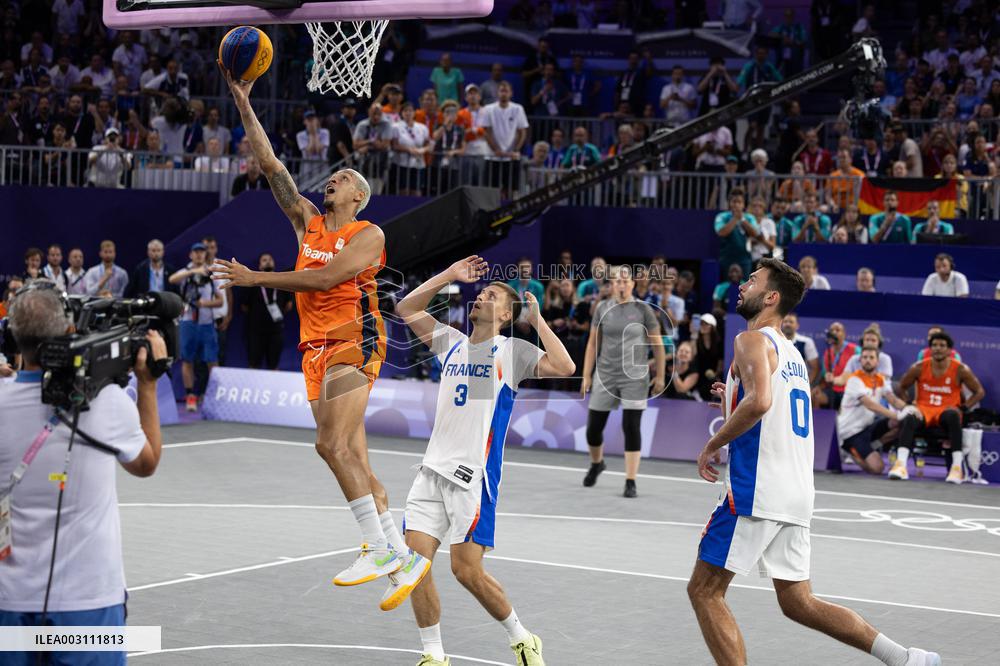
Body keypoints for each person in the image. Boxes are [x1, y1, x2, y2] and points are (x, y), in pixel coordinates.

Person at [213, 64, 430, 607]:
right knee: (353, 455)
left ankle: (376, 547)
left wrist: (256, 278)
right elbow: (270, 165)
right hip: (315, 347)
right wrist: (242, 98)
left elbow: (328, 278)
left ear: (358, 197)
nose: (332, 179)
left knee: (329, 444)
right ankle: (399, 553)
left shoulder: (367, 233)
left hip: (355, 336)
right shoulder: (307, 221)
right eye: (333, 177)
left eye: (343, 179)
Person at [689, 258, 941, 666]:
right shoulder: (793, 356)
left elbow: (760, 403)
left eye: (752, 281)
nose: (742, 285)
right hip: (797, 494)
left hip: (757, 489)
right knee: (797, 601)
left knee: (704, 590)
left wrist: (711, 444)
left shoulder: (749, 341)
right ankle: (907, 658)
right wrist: (730, 396)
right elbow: (769, 411)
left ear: (771, 297)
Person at [393, 256, 574, 666]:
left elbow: (565, 366)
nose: (480, 296)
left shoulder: (510, 352)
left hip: (472, 479)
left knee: (466, 571)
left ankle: (522, 637)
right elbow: (406, 309)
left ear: (506, 315)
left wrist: (538, 320)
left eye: (491, 296)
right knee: (414, 565)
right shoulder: (451, 342)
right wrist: (449, 276)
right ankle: (433, 655)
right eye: (481, 292)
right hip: (430, 472)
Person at [0, 281, 166, 665]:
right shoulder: (106, 403)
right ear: (69, 330)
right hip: (87, 604)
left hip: (9, 604)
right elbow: (147, 462)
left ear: (13, 335)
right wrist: (148, 384)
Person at [579, 265, 665, 497]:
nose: (622, 284)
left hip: (634, 378)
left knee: (631, 426)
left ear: (633, 285)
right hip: (605, 374)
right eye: (617, 281)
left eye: (626, 281)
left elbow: (658, 344)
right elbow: (592, 344)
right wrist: (586, 375)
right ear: (612, 285)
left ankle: (630, 480)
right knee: (593, 430)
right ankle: (597, 464)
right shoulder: (601, 308)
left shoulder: (644, 310)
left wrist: (660, 376)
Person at [894, 332, 985, 483]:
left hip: (946, 411)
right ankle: (900, 465)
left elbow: (979, 392)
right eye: (934, 345)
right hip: (924, 409)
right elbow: (901, 387)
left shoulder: (960, 369)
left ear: (950, 350)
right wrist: (908, 404)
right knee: (910, 416)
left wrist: (963, 408)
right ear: (930, 349)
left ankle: (956, 468)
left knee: (953, 415)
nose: (938, 348)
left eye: (942, 346)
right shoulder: (919, 367)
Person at [838, 347, 909, 475]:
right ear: (860, 361)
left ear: (877, 362)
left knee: (899, 423)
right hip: (850, 433)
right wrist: (896, 415)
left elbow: (893, 400)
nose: (868, 360)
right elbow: (870, 405)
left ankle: (873, 446)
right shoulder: (854, 380)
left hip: (868, 428)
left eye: (871, 358)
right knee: (877, 468)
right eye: (864, 357)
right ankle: (850, 451)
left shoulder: (880, 379)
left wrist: (909, 409)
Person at [169, 242, 222, 412]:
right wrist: (193, 272)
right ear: (191, 255)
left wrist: (204, 303)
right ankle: (190, 397)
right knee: (187, 360)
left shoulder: (211, 273)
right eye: (196, 252)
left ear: (205, 255)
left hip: (207, 323)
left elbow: (220, 300)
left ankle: (215, 397)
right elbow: (171, 279)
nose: (199, 255)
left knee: (212, 361)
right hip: (188, 322)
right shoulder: (186, 271)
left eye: (202, 252)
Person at [240, 252, 292, 370]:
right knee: (253, 365)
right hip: (256, 331)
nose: (267, 261)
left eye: (269, 259)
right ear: (259, 266)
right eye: (264, 260)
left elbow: (289, 305)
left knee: (274, 366)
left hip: (276, 331)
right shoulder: (252, 283)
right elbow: (244, 306)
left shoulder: (281, 281)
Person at [714, 188, 760, 280]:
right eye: (734, 202)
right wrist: (735, 219)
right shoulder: (722, 217)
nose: (736, 205)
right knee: (727, 287)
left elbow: (755, 234)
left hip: (745, 259)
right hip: (726, 258)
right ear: (729, 203)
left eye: (739, 202)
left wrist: (742, 219)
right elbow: (721, 233)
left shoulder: (749, 218)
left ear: (743, 204)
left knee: (745, 288)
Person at [813, 321, 856, 409]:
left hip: (849, 390)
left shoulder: (855, 350)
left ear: (844, 334)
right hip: (832, 390)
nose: (834, 332)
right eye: (832, 330)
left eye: (837, 330)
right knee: (815, 395)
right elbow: (825, 375)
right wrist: (819, 387)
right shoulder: (827, 352)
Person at [780, 312, 819, 386]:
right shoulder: (775, 341)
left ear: (797, 326)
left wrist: (806, 386)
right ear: (781, 324)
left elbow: (815, 368)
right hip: (781, 383)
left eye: (791, 322)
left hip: (800, 383)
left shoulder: (806, 342)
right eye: (785, 322)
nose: (788, 324)